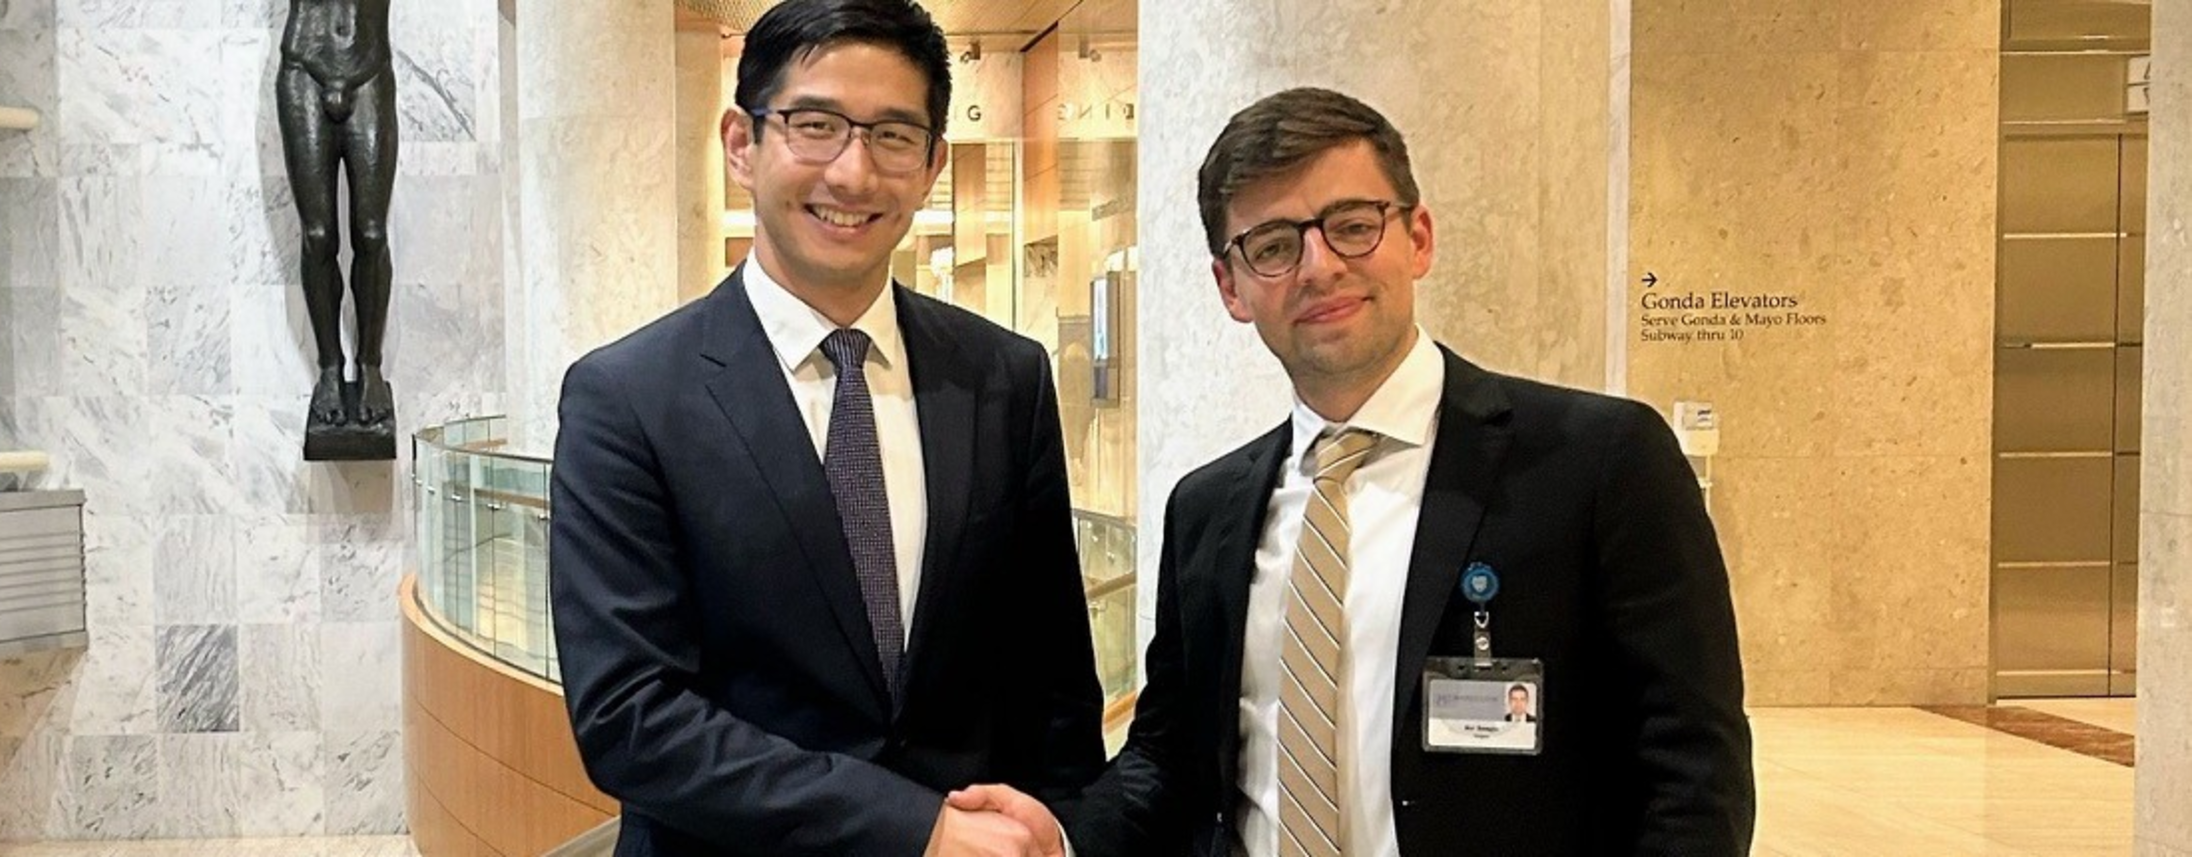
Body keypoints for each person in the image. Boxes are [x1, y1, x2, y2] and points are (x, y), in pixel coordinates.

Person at [957, 87, 1754, 856]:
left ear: (1419, 237)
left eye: (1352, 226)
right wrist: (1066, 837)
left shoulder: (1599, 464)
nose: (1319, 265)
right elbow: (1169, 756)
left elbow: (1693, 773)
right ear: (1231, 287)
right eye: (1273, 246)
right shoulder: (1207, 509)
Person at [548, 2, 1104, 854]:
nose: (853, 172)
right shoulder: (626, 398)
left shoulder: (1005, 376)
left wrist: (1065, 833)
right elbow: (631, 717)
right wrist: (912, 828)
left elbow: (1053, 677)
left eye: (893, 136)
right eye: (815, 126)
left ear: (932, 164)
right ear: (742, 143)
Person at [277, 0, 398, 435]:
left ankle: (370, 364)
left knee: (371, 233)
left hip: (369, 69)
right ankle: (329, 366)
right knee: (318, 235)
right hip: (304, 69)